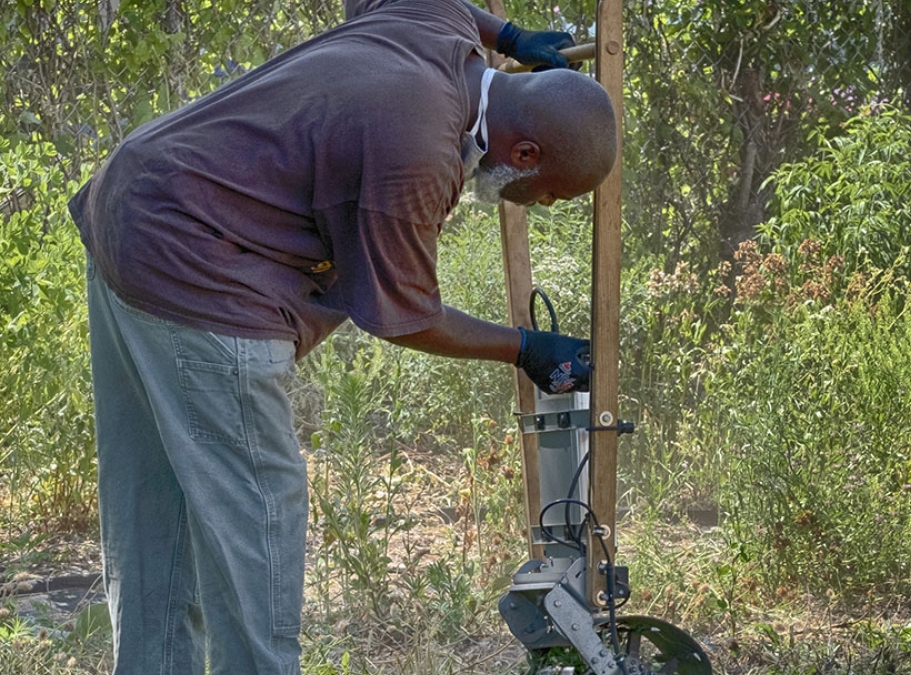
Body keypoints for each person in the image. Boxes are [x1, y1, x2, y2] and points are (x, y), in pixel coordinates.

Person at [67, 0, 618, 672]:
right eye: (547, 192)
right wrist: (526, 348)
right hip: (196, 268)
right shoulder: (419, 150)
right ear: (524, 152)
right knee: (256, 520)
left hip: (129, 204)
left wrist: (507, 34)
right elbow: (407, 313)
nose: (539, 203)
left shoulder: (435, 30)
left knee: (159, 516)